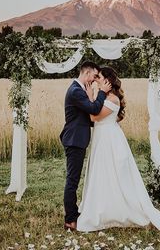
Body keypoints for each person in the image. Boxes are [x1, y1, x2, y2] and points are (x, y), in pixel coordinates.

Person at [76, 66, 160, 232]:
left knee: (113, 171)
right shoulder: (106, 96)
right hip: (102, 136)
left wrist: (90, 97)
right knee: (102, 172)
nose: (96, 79)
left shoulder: (113, 99)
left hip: (108, 139)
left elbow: (94, 116)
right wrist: (96, 94)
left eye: (99, 77)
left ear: (107, 81)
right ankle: (103, 204)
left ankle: (119, 208)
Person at [59, 61, 110, 230]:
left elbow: (88, 114)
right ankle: (70, 220)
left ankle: (74, 214)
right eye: (95, 76)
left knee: (74, 179)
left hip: (77, 139)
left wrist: (91, 96)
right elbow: (94, 110)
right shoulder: (75, 91)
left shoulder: (79, 90)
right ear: (87, 73)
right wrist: (101, 92)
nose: (96, 80)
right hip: (74, 140)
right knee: (72, 180)